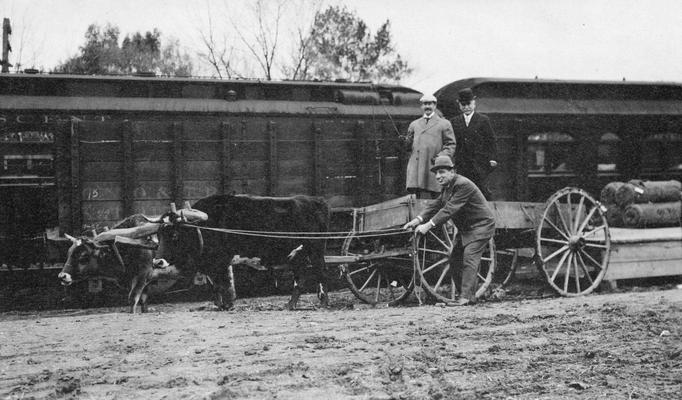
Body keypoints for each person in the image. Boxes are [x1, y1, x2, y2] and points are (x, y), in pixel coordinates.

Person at [402, 155, 495, 305]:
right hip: (466, 229)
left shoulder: (463, 184)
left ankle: (465, 298)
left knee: (470, 257)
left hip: (481, 225)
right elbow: (435, 205)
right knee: (454, 259)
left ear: (453, 171)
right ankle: (465, 296)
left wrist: (427, 225)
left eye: (442, 172)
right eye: (436, 173)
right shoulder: (448, 187)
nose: (438, 176)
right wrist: (417, 220)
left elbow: (449, 210)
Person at [403, 94, 456, 199]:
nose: (427, 106)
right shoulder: (414, 124)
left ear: (435, 105)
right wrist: (406, 142)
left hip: (433, 165)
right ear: (421, 106)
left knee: (437, 196)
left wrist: (440, 158)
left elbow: (450, 144)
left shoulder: (444, 124)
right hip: (416, 167)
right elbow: (408, 147)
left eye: (430, 104)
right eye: (424, 104)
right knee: (417, 197)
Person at [450, 88, 497, 199]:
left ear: (474, 103)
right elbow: (451, 142)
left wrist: (493, 158)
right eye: (463, 104)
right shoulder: (454, 121)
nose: (466, 107)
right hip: (461, 164)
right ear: (459, 105)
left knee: (481, 191)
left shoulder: (483, 120)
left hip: (479, 163)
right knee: (461, 190)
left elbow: (491, 140)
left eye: (469, 104)